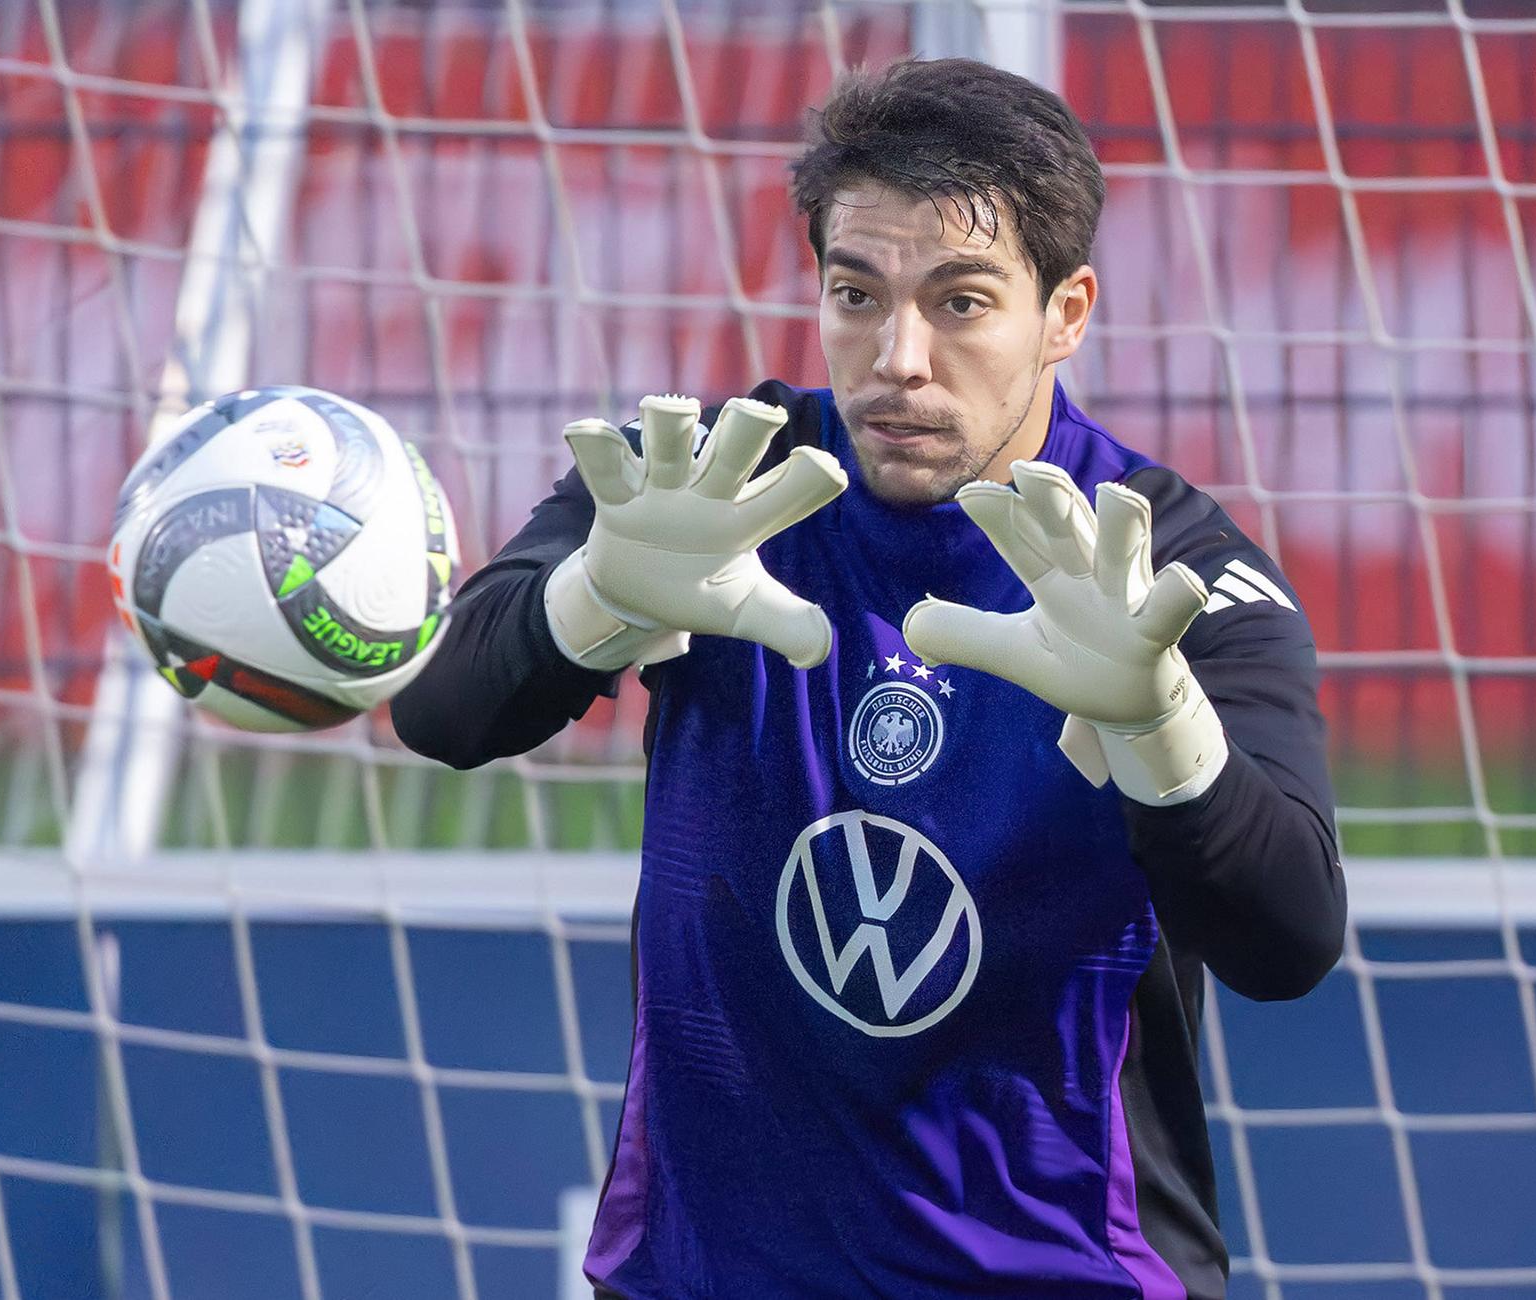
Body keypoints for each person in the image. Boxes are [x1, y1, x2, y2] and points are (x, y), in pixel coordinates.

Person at [393, 55, 1344, 1300]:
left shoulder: (1162, 570)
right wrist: (593, 595)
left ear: (1065, 312)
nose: (897, 357)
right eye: (856, 293)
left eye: (959, 303)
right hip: (702, 1277)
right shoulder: (705, 490)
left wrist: (1163, 728)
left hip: (1060, 1276)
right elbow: (443, 709)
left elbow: (1290, 938)